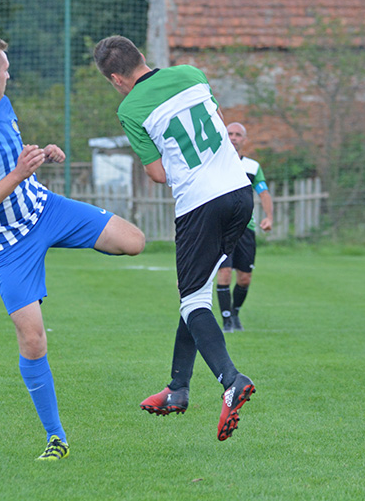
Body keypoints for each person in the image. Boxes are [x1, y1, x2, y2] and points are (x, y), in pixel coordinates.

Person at [0, 37, 146, 460]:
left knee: (135, 242)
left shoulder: (3, 105)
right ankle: (56, 437)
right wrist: (18, 173)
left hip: (45, 209)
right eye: (7, 67)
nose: (10, 74)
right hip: (8, 245)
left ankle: (73, 241)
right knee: (33, 339)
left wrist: (41, 157)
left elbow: (12, 157)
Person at [94, 35, 256, 441]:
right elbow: (216, 121)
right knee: (195, 292)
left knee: (193, 299)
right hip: (240, 192)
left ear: (116, 78)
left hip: (200, 205)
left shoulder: (130, 108)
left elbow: (158, 173)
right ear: (143, 58)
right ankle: (177, 390)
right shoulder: (190, 73)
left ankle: (231, 380)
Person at [217, 122, 274, 332]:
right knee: (224, 273)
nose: (233, 137)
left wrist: (269, 217)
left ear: (244, 139)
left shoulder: (252, 166)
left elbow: (264, 192)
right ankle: (226, 322)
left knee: (244, 278)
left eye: (238, 134)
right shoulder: (215, 162)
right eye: (229, 133)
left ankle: (235, 313)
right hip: (222, 228)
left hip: (245, 229)